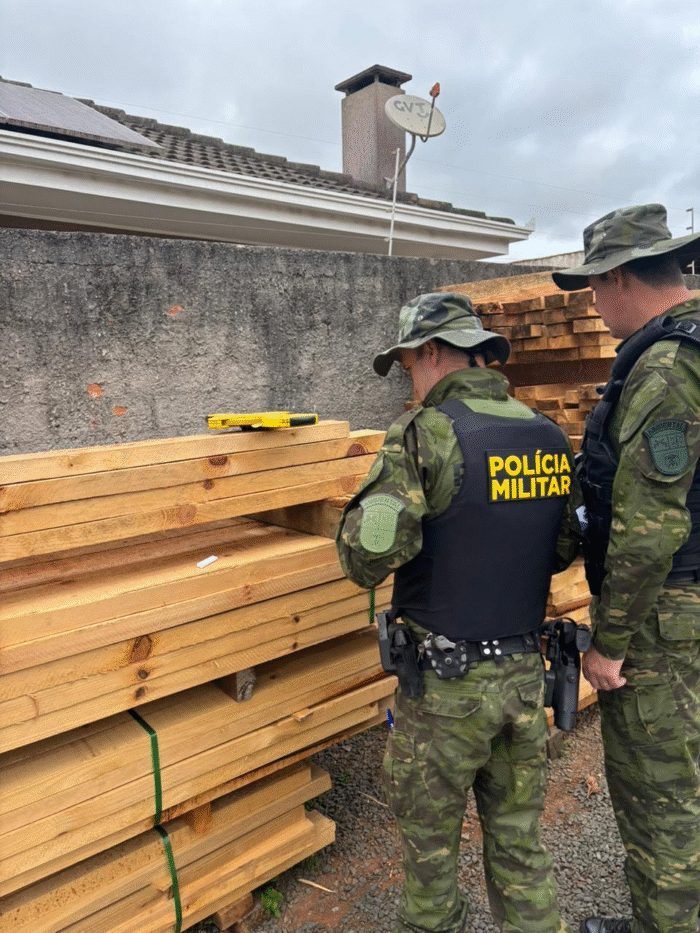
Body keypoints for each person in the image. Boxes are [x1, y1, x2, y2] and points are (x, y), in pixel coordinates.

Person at [336, 292, 583, 933]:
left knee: (429, 856)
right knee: (521, 846)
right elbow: (562, 548)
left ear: (431, 352)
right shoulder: (547, 435)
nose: (410, 384)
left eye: (407, 367)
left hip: (445, 693)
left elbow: (367, 557)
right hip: (524, 680)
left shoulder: (426, 434)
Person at [552, 203, 700, 933]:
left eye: (593, 287)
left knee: (660, 794)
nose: (594, 305)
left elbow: (649, 527)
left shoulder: (665, 370)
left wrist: (609, 644)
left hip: (665, 616)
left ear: (618, 277)